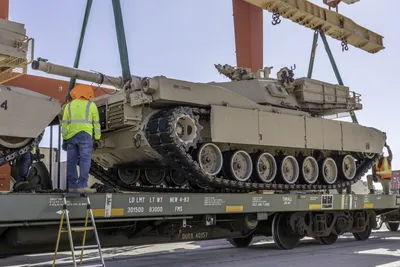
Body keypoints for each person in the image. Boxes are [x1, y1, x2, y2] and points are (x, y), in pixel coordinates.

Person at [61, 84, 101, 193]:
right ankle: (83, 185)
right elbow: (96, 123)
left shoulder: (68, 106)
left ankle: (72, 186)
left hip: (71, 137)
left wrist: (64, 137)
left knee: (71, 161)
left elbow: (64, 124)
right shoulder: (91, 105)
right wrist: (97, 137)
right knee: (85, 160)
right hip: (85, 135)